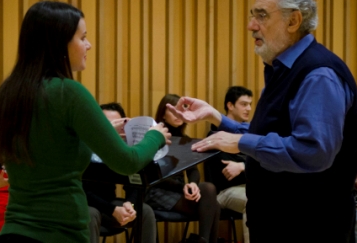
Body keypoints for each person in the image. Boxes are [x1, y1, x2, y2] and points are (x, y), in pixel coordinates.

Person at [167, 0, 357, 243]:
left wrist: (241, 142)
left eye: (261, 16)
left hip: (310, 227)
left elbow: (313, 151)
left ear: (293, 21)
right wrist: (218, 118)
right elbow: (276, 131)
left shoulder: (318, 75)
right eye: (252, 15)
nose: (251, 26)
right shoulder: (283, 68)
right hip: (282, 223)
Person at [0, 0, 171, 243]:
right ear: (59, 42)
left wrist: (101, 131)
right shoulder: (69, 92)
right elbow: (128, 162)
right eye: (82, 37)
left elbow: (46, 146)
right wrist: (155, 136)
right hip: (60, 234)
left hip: (13, 233)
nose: (89, 45)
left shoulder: (8, 92)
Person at [145, 94, 220, 243]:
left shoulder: (185, 140)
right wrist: (184, 186)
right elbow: (155, 175)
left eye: (181, 110)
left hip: (181, 190)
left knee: (211, 198)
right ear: (163, 115)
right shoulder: (155, 137)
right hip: (157, 189)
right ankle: (204, 241)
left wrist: (192, 184)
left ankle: (202, 240)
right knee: (211, 200)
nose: (178, 115)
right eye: (173, 111)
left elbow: (193, 171)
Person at [84, 102, 157, 243]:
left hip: (110, 205)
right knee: (90, 214)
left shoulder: (123, 151)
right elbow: (84, 192)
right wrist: (112, 210)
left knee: (145, 211)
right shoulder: (86, 149)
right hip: (89, 205)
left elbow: (135, 183)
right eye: (107, 124)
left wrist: (130, 204)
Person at [204, 86, 252, 243]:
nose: (249, 109)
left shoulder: (251, 134)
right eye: (244, 104)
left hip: (248, 186)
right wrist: (247, 164)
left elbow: (263, 161)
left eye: (250, 104)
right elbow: (226, 169)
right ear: (230, 105)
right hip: (224, 191)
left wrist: (243, 166)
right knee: (253, 202)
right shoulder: (216, 135)